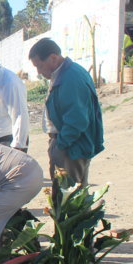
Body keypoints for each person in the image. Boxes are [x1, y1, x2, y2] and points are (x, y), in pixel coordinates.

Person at [28, 38, 104, 191]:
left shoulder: (71, 78)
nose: (39, 72)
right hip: (69, 145)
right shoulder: (64, 73)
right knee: (68, 195)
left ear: (53, 57)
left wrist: (60, 145)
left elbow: (77, 121)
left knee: (67, 197)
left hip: (71, 148)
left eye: (40, 66)